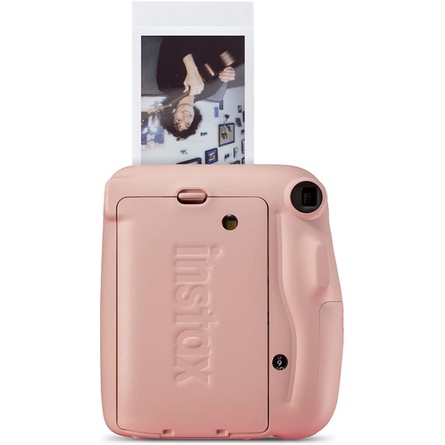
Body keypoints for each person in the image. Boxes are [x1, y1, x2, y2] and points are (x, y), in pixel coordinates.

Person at [145, 36, 244, 139]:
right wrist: (229, 73)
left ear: (173, 112)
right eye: (187, 124)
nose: (185, 118)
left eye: (178, 120)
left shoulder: (165, 85)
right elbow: (224, 63)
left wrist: (191, 70)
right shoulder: (209, 93)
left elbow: (172, 39)